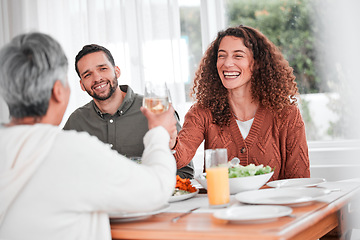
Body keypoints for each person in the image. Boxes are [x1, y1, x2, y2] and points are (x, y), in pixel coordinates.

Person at [0, 32, 177, 240]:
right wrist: (158, 132)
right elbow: (156, 189)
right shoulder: (73, 149)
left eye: (102, 68)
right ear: (59, 90)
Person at [173, 25, 310, 180]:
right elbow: (179, 159)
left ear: (257, 62)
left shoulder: (286, 114)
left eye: (238, 56)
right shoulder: (202, 112)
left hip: (272, 204)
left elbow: (300, 181)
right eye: (221, 56)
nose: (227, 63)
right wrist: (170, 139)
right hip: (221, 203)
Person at [63, 44, 194, 179]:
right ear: (82, 85)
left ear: (117, 71)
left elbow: (184, 172)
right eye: (87, 74)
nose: (97, 78)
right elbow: (61, 172)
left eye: (103, 69)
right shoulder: (76, 122)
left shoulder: (156, 109)